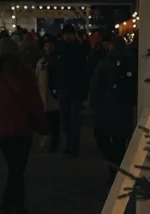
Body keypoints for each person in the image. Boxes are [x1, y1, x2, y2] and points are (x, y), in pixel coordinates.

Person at [0, 38, 49, 214]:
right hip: (21, 126)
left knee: (15, 167)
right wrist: (44, 127)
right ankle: (8, 205)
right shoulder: (23, 72)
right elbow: (34, 101)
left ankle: (18, 204)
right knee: (17, 168)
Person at [88, 35, 137, 181]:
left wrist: (93, 104)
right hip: (125, 109)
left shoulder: (105, 63)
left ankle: (115, 169)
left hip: (106, 109)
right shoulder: (133, 62)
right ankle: (119, 169)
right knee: (119, 142)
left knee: (103, 138)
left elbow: (96, 86)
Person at [55, 24, 88, 155]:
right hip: (65, 88)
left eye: (69, 34)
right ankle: (70, 145)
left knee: (73, 119)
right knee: (66, 119)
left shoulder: (78, 49)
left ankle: (73, 146)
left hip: (74, 89)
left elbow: (84, 71)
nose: (67, 36)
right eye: (65, 34)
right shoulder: (62, 48)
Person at [35, 34, 60, 152]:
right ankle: (46, 142)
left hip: (53, 98)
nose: (48, 47)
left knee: (54, 122)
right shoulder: (41, 62)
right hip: (42, 96)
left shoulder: (57, 60)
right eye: (46, 45)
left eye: (50, 45)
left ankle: (54, 143)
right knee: (45, 121)